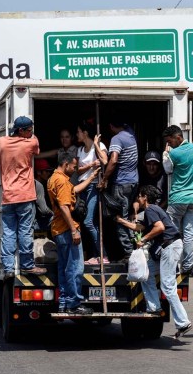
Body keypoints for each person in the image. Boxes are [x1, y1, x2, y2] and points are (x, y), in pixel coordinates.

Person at [115, 185, 192, 337]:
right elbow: (139, 227)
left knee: (168, 286)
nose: (138, 199)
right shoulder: (153, 211)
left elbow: (159, 228)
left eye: (139, 196)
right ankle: (154, 307)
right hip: (166, 249)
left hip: (169, 248)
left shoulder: (151, 210)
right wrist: (121, 221)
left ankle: (183, 322)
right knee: (145, 274)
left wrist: (143, 240)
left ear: (145, 197)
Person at [0, 116, 47, 278]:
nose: (31, 132)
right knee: (25, 232)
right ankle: (27, 266)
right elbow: (37, 148)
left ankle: (8, 268)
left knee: (9, 233)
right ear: (21, 130)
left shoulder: (1, 143)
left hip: (8, 197)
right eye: (29, 130)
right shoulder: (30, 143)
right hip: (25, 196)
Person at [48, 152, 98, 314]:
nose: (75, 169)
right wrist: (74, 230)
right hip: (67, 230)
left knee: (64, 268)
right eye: (74, 166)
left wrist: (91, 178)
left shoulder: (55, 179)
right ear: (65, 164)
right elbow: (64, 206)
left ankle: (64, 302)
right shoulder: (62, 181)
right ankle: (74, 303)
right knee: (75, 268)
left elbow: (73, 191)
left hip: (59, 230)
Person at [162, 125, 193, 276]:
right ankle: (188, 265)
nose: (169, 144)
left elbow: (168, 169)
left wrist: (165, 154)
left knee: (173, 232)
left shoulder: (173, 154)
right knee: (190, 234)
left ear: (178, 137)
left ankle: (175, 265)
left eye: (169, 141)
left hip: (178, 199)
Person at [98, 118, 139, 262]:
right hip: (133, 182)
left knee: (120, 218)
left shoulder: (117, 139)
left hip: (121, 184)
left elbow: (113, 159)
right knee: (126, 216)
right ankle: (132, 249)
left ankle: (129, 253)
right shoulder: (130, 134)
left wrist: (104, 180)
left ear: (111, 126)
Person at [76, 120, 109, 264]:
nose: (76, 135)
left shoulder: (100, 146)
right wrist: (90, 165)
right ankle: (95, 255)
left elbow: (104, 161)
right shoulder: (80, 150)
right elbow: (78, 170)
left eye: (78, 132)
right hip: (82, 185)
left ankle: (103, 255)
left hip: (94, 185)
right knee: (86, 222)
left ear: (85, 133)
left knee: (88, 221)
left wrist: (96, 144)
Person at [34, 158, 54, 232]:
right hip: (34, 223)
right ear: (39, 172)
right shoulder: (38, 185)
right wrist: (54, 213)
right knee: (59, 220)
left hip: (29, 222)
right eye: (46, 171)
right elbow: (44, 210)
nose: (49, 173)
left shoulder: (34, 183)